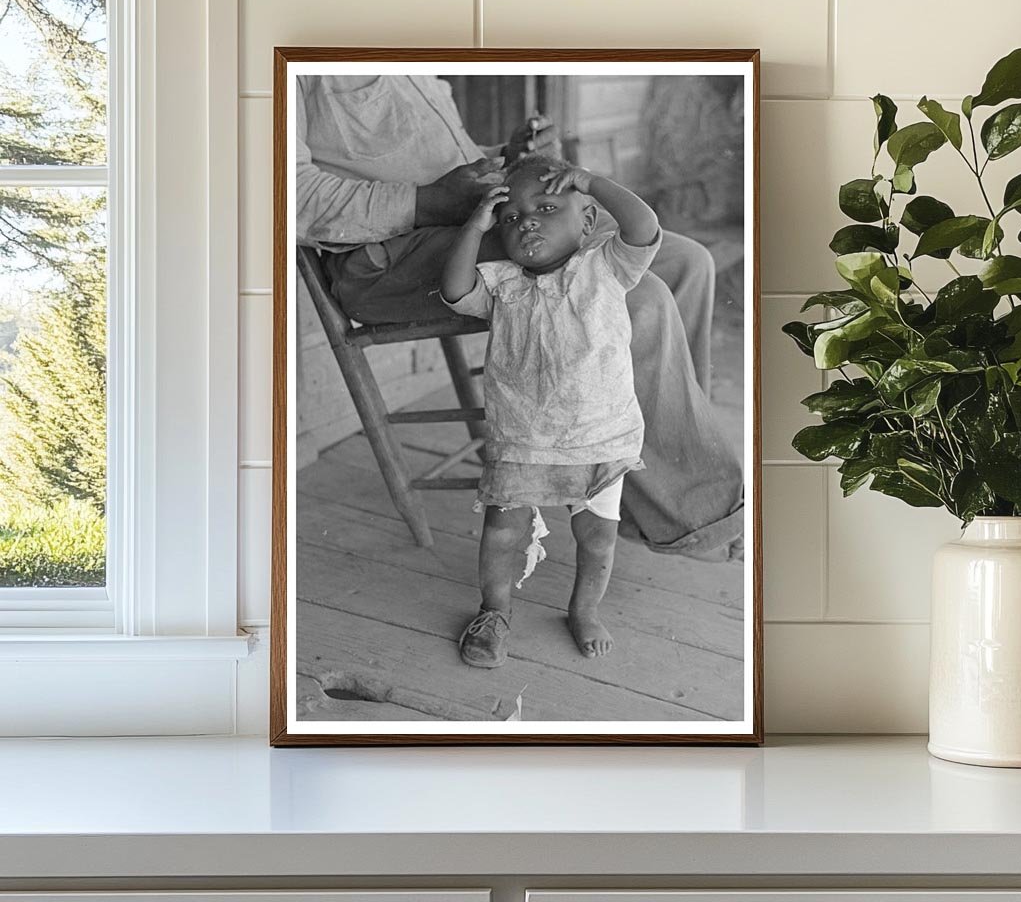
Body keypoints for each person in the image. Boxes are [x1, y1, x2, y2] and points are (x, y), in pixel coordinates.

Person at [296, 74, 742, 556]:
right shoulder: (291, 65)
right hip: (389, 254)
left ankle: (646, 488)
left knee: (686, 262)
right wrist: (428, 200)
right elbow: (289, 195)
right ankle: (694, 516)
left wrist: (506, 155)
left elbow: (428, 160)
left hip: (462, 214)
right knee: (639, 297)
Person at [441, 155, 661, 665]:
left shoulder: (607, 265)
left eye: (545, 206)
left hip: (600, 437)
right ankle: (494, 611)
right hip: (522, 440)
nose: (528, 221)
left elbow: (644, 227)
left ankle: (584, 609)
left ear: (586, 223)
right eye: (512, 217)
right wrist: (476, 226)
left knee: (597, 538)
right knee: (501, 531)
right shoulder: (500, 283)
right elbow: (454, 289)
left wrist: (591, 183)